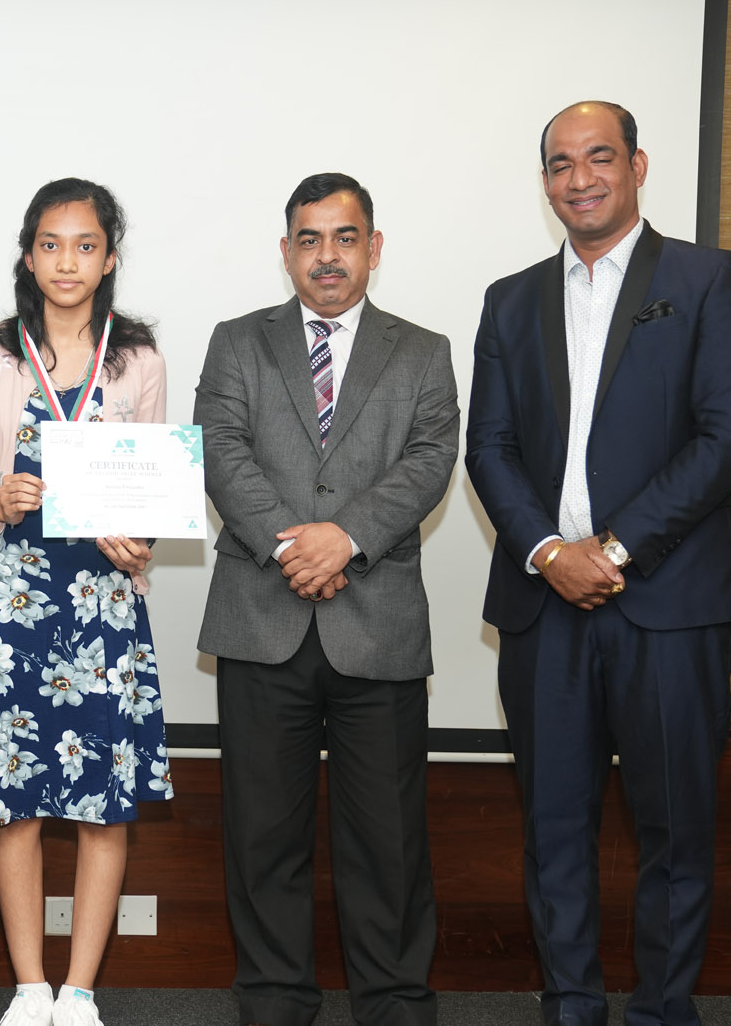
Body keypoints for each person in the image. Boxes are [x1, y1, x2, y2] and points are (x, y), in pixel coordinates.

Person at [465, 102, 731, 1026]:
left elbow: (728, 437)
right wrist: (551, 552)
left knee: (675, 826)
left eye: (600, 157)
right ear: (544, 182)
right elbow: (490, 448)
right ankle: (571, 1006)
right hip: (544, 604)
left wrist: (616, 547)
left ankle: (663, 1010)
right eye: (561, 163)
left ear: (638, 166)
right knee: (554, 827)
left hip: (670, 601)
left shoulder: (710, 278)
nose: (580, 178)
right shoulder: (510, 298)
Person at [194, 172, 458, 1026]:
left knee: (388, 839)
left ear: (374, 248)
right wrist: (292, 545)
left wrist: (343, 538)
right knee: (263, 834)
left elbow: (430, 459)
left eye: (345, 237)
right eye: (309, 239)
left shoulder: (423, 350)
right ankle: (274, 1002)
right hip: (260, 616)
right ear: (286, 252)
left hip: (377, 623)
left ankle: (395, 1004)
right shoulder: (238, 341)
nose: (327, 256)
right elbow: (220, 449)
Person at [0, 178, 171, 1026]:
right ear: (28, 255)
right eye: (50, 243)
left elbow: (151, 486)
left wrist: (137, 536)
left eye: (85, 245)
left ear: (109, 258)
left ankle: (80, 992)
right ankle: (31, 987)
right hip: (11, 602)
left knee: (104, 806)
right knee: (15, 801)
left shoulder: (138, 360)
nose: (67, 261)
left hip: (102, 604)